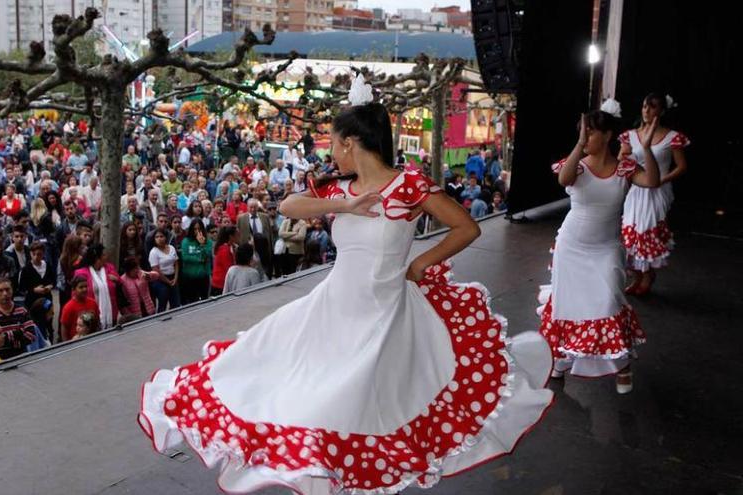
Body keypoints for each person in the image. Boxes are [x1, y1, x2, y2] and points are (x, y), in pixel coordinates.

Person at [139, 80, 554, 493]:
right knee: (268, 369)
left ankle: (337, 467)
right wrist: (344, 204)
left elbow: (465, 227)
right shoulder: (340, 186)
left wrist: (422, 263)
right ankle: (324, 465)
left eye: (336, 144)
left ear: (352, 142)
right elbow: (287, 205)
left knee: (355, 398)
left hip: (385, 312)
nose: (332, 152)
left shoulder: (410, 186)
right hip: (335, 305)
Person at [538, 101, 660, 394]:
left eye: (590, 133)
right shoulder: (577, 165)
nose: (586, 137)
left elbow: (653, 181)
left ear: (607, 136)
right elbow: (563, 179)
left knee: (608, 303)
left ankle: (622, 364)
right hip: (571, 247)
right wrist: (579, 146)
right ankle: (563, 358)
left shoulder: (625, 168)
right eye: (583, 133)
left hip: (606, 248)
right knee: (568, 305)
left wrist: (645, 148)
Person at [619, 93, 690, 294]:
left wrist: (660, 180)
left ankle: (648, 275)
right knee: (631, 231)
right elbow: (622, 158)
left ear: (662, 111)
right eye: (644, 106)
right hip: (636, 190)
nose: (647, 111)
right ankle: (637, 276)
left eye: (652, 107)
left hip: (658, 191)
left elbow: (681, 166)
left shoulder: (671, 137)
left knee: (648, 229)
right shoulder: (630, 135)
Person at [0, 277, 36, 359]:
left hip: (22, 356)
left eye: (7, 289)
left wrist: (5, 337)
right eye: (0, 291)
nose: (5, 293)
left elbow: (31, 335)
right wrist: (18, 333)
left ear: (12, 290)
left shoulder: (22, 311)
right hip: (1, 360)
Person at [73, 244, 119, 331]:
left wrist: (116, 279)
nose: (107, 256)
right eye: (104, 255)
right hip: (90, 312)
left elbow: (118, 280)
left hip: (110, 311)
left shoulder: (109, 267)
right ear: (97, 258)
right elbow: (76, 293)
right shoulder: (81, 273)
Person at [178, 219, 212, 304]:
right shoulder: (186, 241)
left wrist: (201, 244)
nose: (197, 231)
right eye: (195, 229)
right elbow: (185, 257)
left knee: (204, 301)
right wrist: (199, 259)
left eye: (199, 229)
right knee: (192, 301)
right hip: (189, 277)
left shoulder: (208, 242)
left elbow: (206, 257)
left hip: (203, 276)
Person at [148, 229, 180, 312]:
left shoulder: (172, 248)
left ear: (165, 237)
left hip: (173, 277)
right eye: (157, 237)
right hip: (160, 280)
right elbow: (156, 269)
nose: (159, 239)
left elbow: (176, 263)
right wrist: (168, 281)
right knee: (162, 303)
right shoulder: (153, 252)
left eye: (161, 236)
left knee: (176, 303)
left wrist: (175, 278)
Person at [59, 276, 100, 342]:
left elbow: (97, 322)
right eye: (81, 287)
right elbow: (64, 329)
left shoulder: (93, 303)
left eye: (86, 286)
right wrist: (67, 345)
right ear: (73, 289)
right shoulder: (68, 307)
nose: (84, 289)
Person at [18, 241, 56, 308]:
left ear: (43, 254)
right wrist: (34, 290)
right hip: (32, 301)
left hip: (46, 299)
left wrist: (50, 286)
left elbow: (53, 280)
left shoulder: (48, 266)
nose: (36, 257)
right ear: (30, 253)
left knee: (47, 316)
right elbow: (22, 287)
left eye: (39, 254)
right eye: (33, 254)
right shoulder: (26, 269)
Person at [119, 257, 157, 322]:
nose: (137, 270)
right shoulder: (123, 280)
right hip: (134, 312)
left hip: (148, 307)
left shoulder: (141, 273)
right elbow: (123, 299)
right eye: (134, 269)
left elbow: (156, 275)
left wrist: (149, 275)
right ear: (129, 270)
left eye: (137, 268)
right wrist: (128, 315)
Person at [210, 226, 238, 297]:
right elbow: (229, 269)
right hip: (220, 285)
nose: (238, 237)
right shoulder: (224, 250)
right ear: (231, 236)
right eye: (236, 235)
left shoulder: (231, 247)